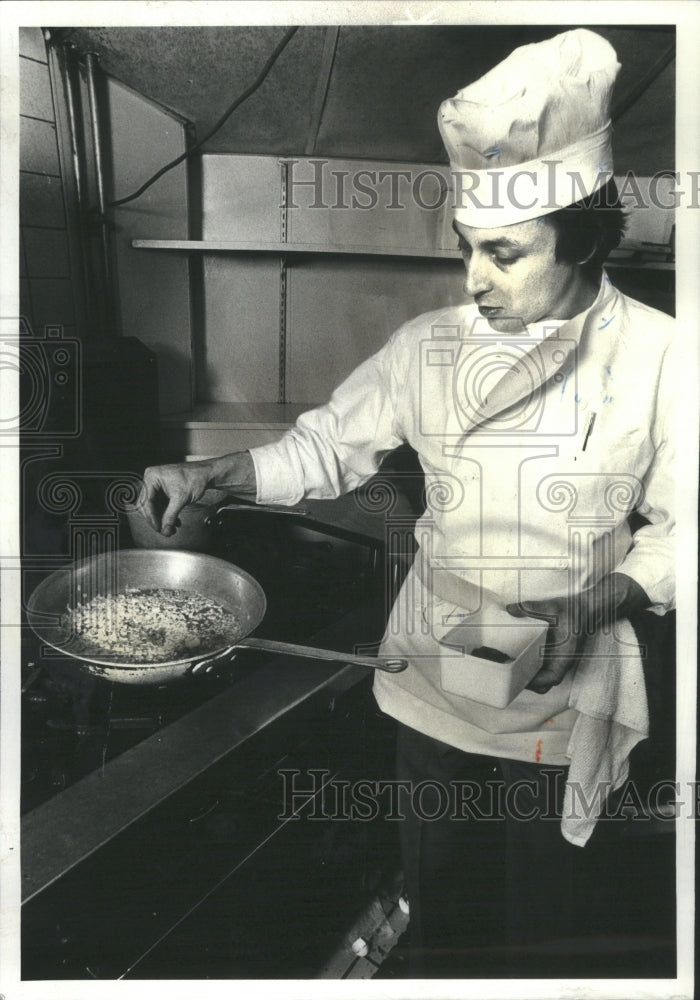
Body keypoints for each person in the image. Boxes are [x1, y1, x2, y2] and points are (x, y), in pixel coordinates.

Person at [141, 29, 675, 977]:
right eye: (469, 248)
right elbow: (326, 445)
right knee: (446, 917)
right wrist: (213, 478)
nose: (475, 280)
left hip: (563, 686)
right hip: (431, 680)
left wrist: (596, 603)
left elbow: (691, 527)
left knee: (546, 936)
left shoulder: (667, 357)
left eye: (506, 254)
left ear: (588, 235)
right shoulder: (428, 344)